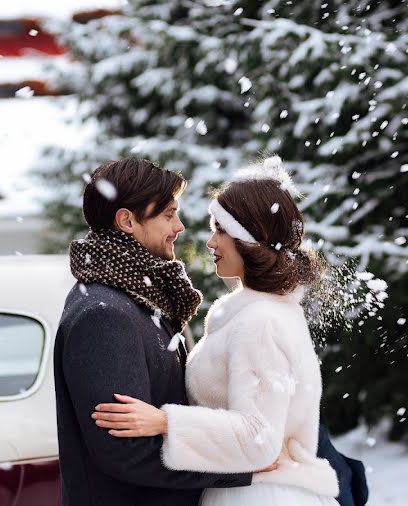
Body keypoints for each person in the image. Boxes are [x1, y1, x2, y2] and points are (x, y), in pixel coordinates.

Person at [92, 157, 345, 506]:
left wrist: (166, 421)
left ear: (250, 240)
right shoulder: (256, 313)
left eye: (221, 230)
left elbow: (259, 437)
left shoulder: (261, 322)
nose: (210, 242)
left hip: (261, 496)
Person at [53, 158, 256, 506]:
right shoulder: (104, 316)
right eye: (167, 214)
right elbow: (127, 454)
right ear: (127, 221)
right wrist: (245, 466)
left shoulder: (138, 299)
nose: (178, 226)